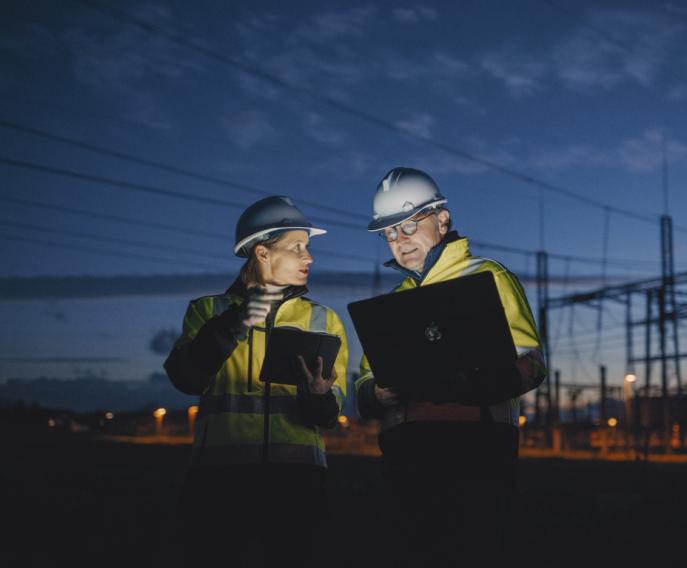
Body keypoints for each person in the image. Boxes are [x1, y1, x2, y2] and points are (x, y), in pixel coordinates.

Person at [354, 167, 547, 567]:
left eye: (409, 227)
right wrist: (375, 392)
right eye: (389, 234)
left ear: (442, 220)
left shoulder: (488, 276)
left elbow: (532, 362)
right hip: (406, 459)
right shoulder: (395, 300)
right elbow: (366, 379)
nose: (399, 242)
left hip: (475, 454)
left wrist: (481, 380)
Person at [164, 195, 348, 567]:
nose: (309, 257)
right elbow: (185, 377)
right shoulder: (208, 311)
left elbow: (331, 411)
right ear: (262, 253)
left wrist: (318, 397)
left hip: (297, 484)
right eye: (297, 247)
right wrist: (234, 323)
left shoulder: (323, 320)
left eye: (308, 248)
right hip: (218, 485)